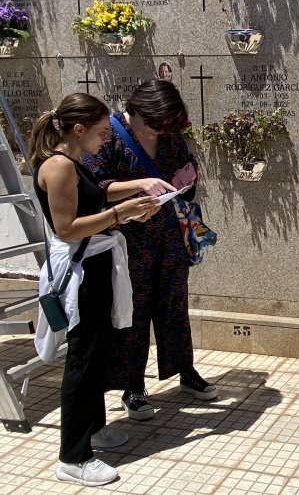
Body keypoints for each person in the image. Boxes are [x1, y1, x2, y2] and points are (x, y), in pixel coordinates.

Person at [31, 94, 161, 486]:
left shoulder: (75, 163)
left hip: (98, 264)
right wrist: (123, 214)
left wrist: (138, 193)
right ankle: (73, 456)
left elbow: (98, 195)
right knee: (84, 361)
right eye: (103, 132)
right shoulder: (58, 167)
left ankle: (94, 427)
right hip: (82, 271)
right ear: (78, 129)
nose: (107, 139)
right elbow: (67, 228)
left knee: (99, 352)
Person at [83, 80, 217, 421]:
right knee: (133, 312)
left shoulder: (169, 134)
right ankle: (132, 387)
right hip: (127, 242)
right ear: (137, 112)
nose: (161, 131)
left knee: (175, 304)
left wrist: (186, 181)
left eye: (168, 125)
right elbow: (94, 187)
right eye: (155, 124)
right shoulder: (108, 135)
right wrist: (139, 188)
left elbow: (185, 180)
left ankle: (185, 371)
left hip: (168, 235)